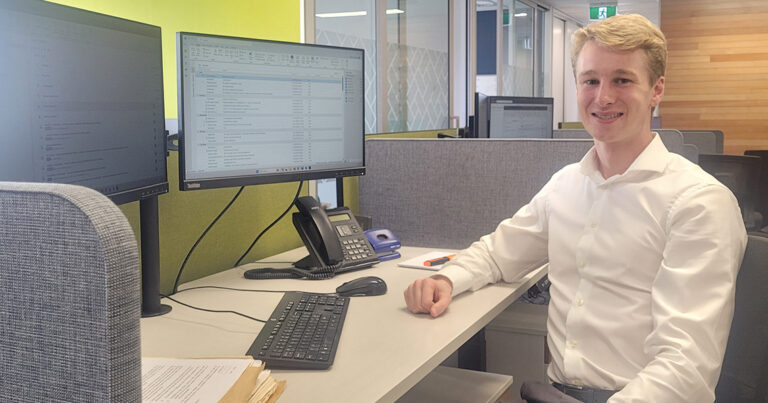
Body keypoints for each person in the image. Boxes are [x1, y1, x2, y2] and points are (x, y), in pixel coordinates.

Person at [404, 14, 747, 403]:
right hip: (556, 390)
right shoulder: (567, 184)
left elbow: (686, 367)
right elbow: (499, 253)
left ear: (656, 90)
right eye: (590, 80)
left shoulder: (698, 202)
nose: (603, 97)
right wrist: (446, 280)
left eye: (622, 79)